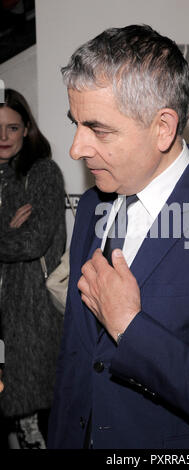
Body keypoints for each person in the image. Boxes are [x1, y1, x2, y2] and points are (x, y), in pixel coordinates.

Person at [48, 25, 189, 449]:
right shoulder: (92, 206)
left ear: (163, 127)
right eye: (75, 124)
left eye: (98, 130)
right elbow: (79, 357)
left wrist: (130, 327)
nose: (76, 149)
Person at [0, 89, 66, 448]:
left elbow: (32, 242)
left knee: (36, 424)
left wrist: (11, 234)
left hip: (30, 319)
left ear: (27, 129)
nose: (3, 137)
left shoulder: (42, 174)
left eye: (12, 128)